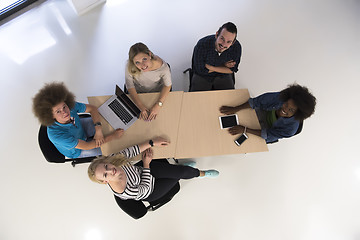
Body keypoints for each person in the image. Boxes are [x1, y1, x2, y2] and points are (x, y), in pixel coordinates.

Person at [88, 137, 219, 202]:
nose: (111, 170)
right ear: (105, 182)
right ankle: (203, 174)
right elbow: (144, 187)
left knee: (181, 172)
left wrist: (152, 142)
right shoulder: (123, 191)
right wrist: (146, 164)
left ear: (106, 162)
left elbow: (130, 151)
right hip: (151, 190)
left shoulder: (112, 160)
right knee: (178, 175)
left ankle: (188, 170)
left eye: (106, 167)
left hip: (146, 171)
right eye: (106, 175)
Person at [32, 82, 124, 159]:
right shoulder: (56, 135)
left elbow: (93, 109)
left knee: (109, 123)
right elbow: (87, 146)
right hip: (78, 150)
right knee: (113, 148)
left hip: (80, 129)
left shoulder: (69, 106)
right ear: (51, 116)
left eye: (64, 107)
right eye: (58, 111)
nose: (65, 112)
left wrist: (98, 130)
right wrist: (113, 136)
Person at [219, 84, 316, 143]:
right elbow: (256, 102)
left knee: (238, 141)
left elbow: (269, 135)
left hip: (266, 130)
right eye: (286, 104)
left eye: (291, 110)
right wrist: (235, 109)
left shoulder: (290, 129)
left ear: (297, 114)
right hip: (261, 113)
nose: (285, 109)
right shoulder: (279, 97)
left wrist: (245, 129)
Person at [125, 42, 172, 121]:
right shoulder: (130, 66)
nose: (143, 65)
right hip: (138, 95)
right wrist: (140, 106)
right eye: (137, 62)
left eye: (144, 59)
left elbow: (167, 85)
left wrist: (158, 105)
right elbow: (130, 86)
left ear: (149, 55)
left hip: (156, 94)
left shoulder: (163, 67)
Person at [190, 22, 242, 91]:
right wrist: (224, 66)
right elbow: (200, 70)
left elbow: (232, 70)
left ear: (233, 42)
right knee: (196, 99)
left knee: (229, 99)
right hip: (203, 76)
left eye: (229, 42)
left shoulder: (236, 47)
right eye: (222, 39)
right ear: (217, 34)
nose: (224, 44)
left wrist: (211, 67)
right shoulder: (202, 44)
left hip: (223, 75)